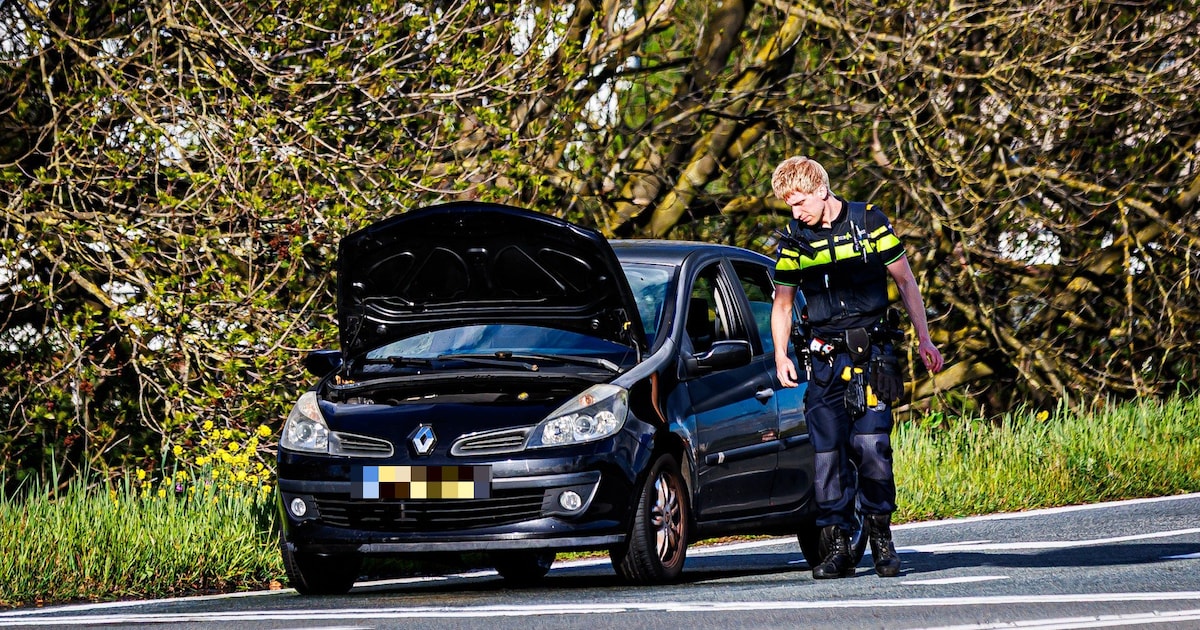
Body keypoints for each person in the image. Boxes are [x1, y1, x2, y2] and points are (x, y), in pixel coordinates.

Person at [768, 156, 944, 579]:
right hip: (824, 362)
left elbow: (905, 281)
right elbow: (783, 304)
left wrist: (924, 338)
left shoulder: (870, 223)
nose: (796, 213)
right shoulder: (795, 241)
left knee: (871, 451)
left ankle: (883, 542)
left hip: (872, 357)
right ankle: (838, 548)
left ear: (822, 191)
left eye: (800, 203)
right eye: (789, 206)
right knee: (827, 457)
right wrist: (780, 355)